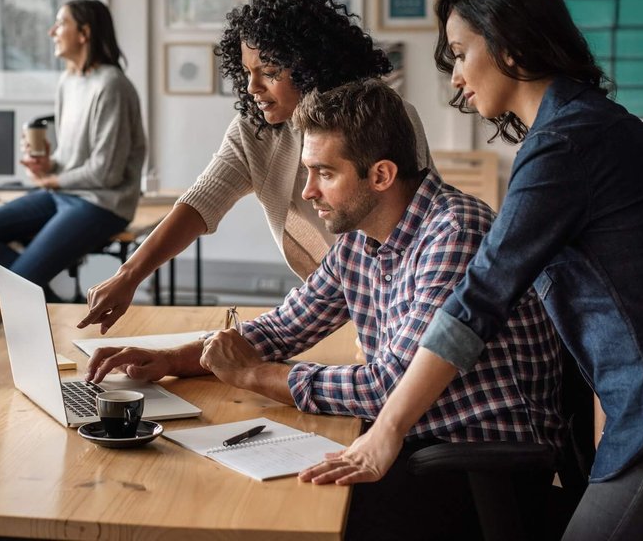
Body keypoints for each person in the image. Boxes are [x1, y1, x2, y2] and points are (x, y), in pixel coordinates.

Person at [303, 0, 643, 540]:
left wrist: (386, 432)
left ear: (508, 43)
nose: (456, 78)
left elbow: (478, 300)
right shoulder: (577, 127)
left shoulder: (565, 143)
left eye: (460, 53)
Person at [87, 79, 563, 540]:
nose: (309, 191)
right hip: (412, 444)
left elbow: (386, 387)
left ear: (381, 175)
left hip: (476, 466)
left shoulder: (454, 232)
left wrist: (255, 377)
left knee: (266, 515)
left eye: (324, 173)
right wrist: (176, 359)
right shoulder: (362, 237)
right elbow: (285, 327)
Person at [79, 0, 432, 333]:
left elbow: (412, 230)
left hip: (400, 298)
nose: (252, 87)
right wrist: (129, 276)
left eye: (269, 71)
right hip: (328, 300)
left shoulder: (382, 119)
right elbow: (201, 202)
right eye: (247, 72)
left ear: (311, 65)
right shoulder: (256, 129)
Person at [0, 0, 146, 302]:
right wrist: (48, 165)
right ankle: (52, 306)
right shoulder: (68, 82)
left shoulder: (112, 85)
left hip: (102, 204)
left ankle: (39, 304)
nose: (52, 31)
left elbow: (106, 172)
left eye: (61, 23)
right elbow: (71, 159)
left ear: (84, 33)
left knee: (20, 281)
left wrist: (53, 180)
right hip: (65, 195)